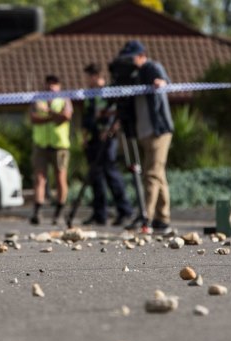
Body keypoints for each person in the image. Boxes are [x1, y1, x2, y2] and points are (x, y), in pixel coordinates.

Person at [120, 40, 174, 232]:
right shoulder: (134, 75)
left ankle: (146, 217)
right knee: (158, 174)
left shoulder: (152, 66)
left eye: (132, 57)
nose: (130, 61)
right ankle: (163, 219)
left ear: (142, 54)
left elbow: (164, 80)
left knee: (151, 174)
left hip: (158, 130)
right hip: (144, 132)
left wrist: (161, 82)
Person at [81, 63, 133, 226]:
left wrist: (110, 130)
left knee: (111, 174)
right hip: (94, 138)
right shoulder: (90, 94)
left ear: (96, 76)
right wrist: (85, 136)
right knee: (95, 176)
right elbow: (87, 117)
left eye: (88, 77)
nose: (87, 80)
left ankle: (124, 211)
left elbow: (117, 112)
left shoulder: (109, 92)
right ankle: (99, 214)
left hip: (108, 137)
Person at [29, 75, 73, 225]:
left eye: (54, 85)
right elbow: (33, 118)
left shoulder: (64, 99)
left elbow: (66, 117)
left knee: (60, 178)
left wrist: (48, 112)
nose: (51, 87)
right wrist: (53, 116)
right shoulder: (38, 98)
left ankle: (59, 211)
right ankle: (37, 211)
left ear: (59, 86)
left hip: (59, 145)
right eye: (49, 84)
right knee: (39, 178)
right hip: (41, 145)